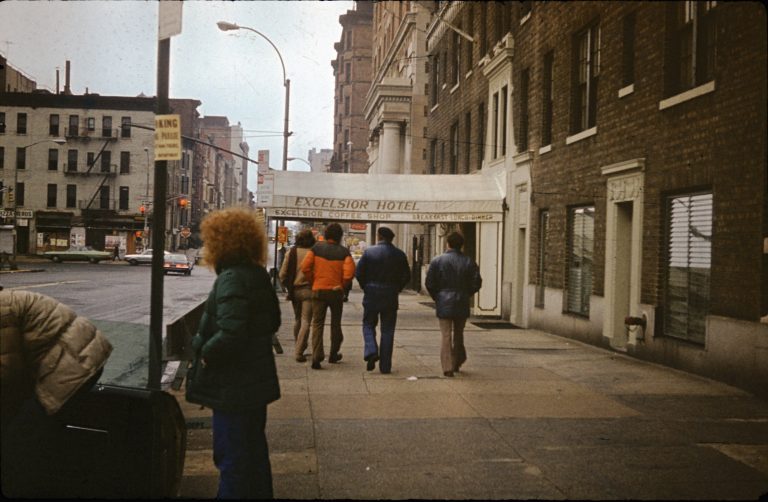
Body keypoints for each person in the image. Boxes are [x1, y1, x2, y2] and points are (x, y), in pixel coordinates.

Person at [185, 207, 281, 499]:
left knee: (231, 458)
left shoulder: (232, 278)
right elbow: (271, 322)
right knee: (253, 454)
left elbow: (231, 332)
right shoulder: (256, 274)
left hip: (233, 384)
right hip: (254, 381)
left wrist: (205, 353)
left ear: (222, 242)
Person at [1, 288, 113, 496]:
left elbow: (8, 371)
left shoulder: (2, 309)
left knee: (22, 435)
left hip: (74, 361)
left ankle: (20, 488)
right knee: (40, 427)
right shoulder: (7, 300)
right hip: (77, 354)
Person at [425, 231, 482, 377]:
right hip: (462, 299)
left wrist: (438, 297)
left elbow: (430, 283)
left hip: (444, 300)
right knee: (459, 333)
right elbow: (476, 282)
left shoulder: (437, 261)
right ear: (461, 245)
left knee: (446, 335)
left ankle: (447, 366)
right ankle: (457, 361)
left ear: (448, 243)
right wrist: (466, 293)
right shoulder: (469, 261)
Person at [354, 226, 410, 374]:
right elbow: (406, 276)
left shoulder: (369, 252)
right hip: (390, 294)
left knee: (368, 324)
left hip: (371, 293)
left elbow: (359, 273)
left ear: (379, 236)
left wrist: (366, 286)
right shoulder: (399, 254)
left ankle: (371, 349)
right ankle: (385, 366)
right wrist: (397, 288)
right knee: (388, 330)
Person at [300, 222, 355, 370]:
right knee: (335, 323)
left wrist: (313, 281)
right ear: (340, 236)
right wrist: (341, 286)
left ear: (326, 234)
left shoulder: (315, 249)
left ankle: (317, 356)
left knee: (317, 323)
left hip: (318, 290)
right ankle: (333, 354)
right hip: (336, 292)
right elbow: (349, 274)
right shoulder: (344, 252)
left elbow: (305, 267)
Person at [279, 229, 316, 363]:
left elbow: (282, 274)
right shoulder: (313, 253)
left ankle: (298, 344)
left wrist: (286, 286)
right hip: (309, 290)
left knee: (297, 319)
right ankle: (299, 351)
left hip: (294, 291)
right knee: (306, 320)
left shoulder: (291, 252)